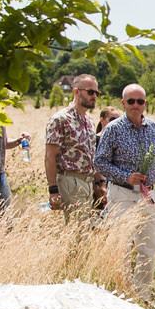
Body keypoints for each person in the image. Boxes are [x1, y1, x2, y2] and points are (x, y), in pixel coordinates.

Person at [97, 84, 155, 302]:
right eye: (131, 101)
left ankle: (142, 295)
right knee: (123, 247)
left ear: (145, 103)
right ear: (123, 103)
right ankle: (123, 294)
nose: (135, 106)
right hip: (122, 193)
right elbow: (99, 162)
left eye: (139, 101)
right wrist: (125, 176)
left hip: (147, 196)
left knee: (149, 247)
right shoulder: (113, 129)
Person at [46, 76, 99, 220]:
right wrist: (53, 190)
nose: (94, 96)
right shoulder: (60, 119)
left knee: (84, 232)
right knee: (78, 232)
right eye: (90, 92)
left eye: (96, 93)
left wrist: (98, 183)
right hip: (70, 180)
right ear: (76, 91)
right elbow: (50, 156)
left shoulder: (89, 120)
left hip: (87, 183)